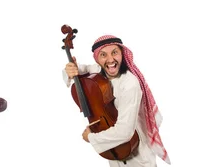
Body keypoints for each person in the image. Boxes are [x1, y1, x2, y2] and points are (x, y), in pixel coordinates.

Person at [62, 35, 171, 167]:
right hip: (113, 150)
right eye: (103, 55)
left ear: (122, 54)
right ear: (97, 59)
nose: (110, 60)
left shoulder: (129, 84)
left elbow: (125, 131)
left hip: (137, 154)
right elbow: (81, 69)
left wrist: (92, 137)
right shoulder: (98, 70)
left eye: (114, 52)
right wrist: (70, 70)